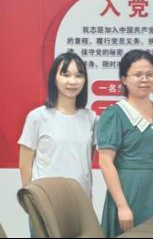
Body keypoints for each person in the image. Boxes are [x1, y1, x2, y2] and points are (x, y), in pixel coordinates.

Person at [97, 50, 153, 237]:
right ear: (124, 79)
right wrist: (122, 206)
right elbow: (105, 162)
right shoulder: (115, 114)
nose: (144, 80)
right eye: (138, 75)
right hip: (128, 192)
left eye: (150, 74)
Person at [18, 52, 97, 199]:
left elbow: (88, 158)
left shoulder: (90, 118)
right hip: (45, 198)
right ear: (54, 79)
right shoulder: (38, 116)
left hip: (81, 198)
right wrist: (29, 198)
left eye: (79, 75)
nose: (72, 81)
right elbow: (25, 164)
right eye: (66, 75)